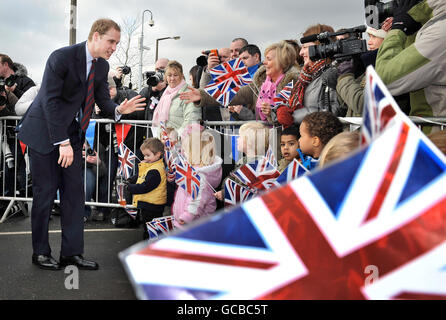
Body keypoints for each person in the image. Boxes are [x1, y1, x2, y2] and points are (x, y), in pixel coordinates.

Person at [16, 18, 146, 271]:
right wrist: (61, 141)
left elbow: (101, 102)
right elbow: (50, 102)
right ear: (96, 36)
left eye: (117, 43)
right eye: (111, 41)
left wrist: (119, 108)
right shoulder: (61, 57)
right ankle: (40, 252)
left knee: (74, 196)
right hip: (44, 133)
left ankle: (72, 254)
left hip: (72, 136)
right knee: (44, 195)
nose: (114, 47)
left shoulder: (101, 67)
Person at [181, 41, 300, 123]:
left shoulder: (293, 82)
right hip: (261, 139)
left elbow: (290, 116)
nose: (264, 63)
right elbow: (232, 94)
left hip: (282, 142)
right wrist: (202, 95)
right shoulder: (260, 82)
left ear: (282, 61)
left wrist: (272, 112)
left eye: (269, 59)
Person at [376, 0, 446, 134]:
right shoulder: (435, 23)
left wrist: (398, 29)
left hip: (438, 139)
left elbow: (383, 80)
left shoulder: (440, 32)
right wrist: (414, 21)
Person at [275, 24, 342, 128]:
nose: (301, 53)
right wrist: (281, 110)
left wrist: (294, 117)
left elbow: (334, 112)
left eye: (305, 47)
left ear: (320, 46)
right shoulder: (306, 77)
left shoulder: (332, 74)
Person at [172, 125, 222, 227]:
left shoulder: (200, 176)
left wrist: (187, 216)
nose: (183, 153)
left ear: (195, 153)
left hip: (194, 224)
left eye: (186, 151)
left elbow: (197, 200)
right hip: (185, 222)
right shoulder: (193, 170)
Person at [336, 26, 388, 117]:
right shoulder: (367, 67)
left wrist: (344, 78)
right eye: (369, 37)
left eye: (374, 37)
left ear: (388, 39)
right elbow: (345, 103)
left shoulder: (385, 68)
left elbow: (361, 104)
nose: (369, 42)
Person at [214, 121, 269, 202]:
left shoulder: (254, 166)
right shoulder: (243, 161)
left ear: (249, 142)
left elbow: (243, 189)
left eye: (240, 137)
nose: (237, 139)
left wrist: (225, 193)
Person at [125, 138, 167, 239]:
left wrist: (131, 188)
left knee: (150, 230)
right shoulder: (151, 165)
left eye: (148, 155)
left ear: (158, 154)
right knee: (148, 228)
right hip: (149, 203)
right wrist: (131, 180)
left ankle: (149, 247)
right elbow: (141, 175)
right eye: (144, 155)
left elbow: (146, 186)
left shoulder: (155, 170)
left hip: (153, 205)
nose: (145, 157)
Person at [152, 60, 201, 136]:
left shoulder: (188, 93)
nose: (172, 78)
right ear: (165, 77)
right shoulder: (166, 95)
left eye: (176, 75)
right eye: (169, 75)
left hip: (182, 142)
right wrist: (160, 137)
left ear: (181, 76)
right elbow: (161, 122)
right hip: (165, 142)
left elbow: (192, 119)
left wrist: (176, 137)